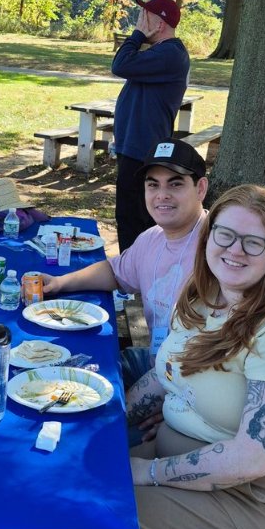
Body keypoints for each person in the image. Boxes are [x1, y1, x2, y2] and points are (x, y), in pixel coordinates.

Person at [128, 185, 265, 529]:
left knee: (95, 512)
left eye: (254, 242)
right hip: (187, 469)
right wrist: (107, 418)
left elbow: (249, 459)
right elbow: (168, 376)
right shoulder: (204, 298)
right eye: (224, 234)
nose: (234, 250)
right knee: (73, 474)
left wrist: (148, 473)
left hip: (259, 502)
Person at [42, 139, 208, 387]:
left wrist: (167, 402)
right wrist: (59, 283)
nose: (162, 195)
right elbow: (115, 271)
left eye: (175, 184)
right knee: (65, 374)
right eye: (153, 185)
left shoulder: (219, 250)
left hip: (191, 381)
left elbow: (219, 355)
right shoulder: (152, 238)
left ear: (201, 189)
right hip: (155, 362)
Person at [111, 0, 190, 251]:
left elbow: (120, 64)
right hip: (133, 146)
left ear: (160, 23)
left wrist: (136, 35)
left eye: (145, 15)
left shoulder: (171, 54)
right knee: (129, 215)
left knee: (134, 217)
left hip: (142, 149)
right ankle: (132, 274)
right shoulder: (159, 53)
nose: (139, 20)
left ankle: (135, 277)